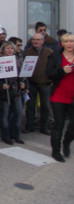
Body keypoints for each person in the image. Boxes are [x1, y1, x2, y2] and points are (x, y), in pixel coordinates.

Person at [46, 33, 74, 162]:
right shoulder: (55, 56)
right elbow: (49, 74)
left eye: (72, 41)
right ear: (61, 43)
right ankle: (56, 151)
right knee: (59, 124)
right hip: (59, 95)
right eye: (66, 41)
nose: (69, 44)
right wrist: (62, 71)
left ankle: (66, 142)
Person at [0, 41, 28, 145]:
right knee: (5, 115)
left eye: (12, 48)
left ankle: (15, 135)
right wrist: (1, 85)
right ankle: (6, 136)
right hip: (5, 93)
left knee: (18, 113)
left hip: (16, 92)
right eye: (8, 48)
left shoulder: (17, 61)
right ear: (3, 50)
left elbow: (22, 75)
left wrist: (23, 83)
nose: (10, 50)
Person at [23, 33, 54, 135]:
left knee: (45, 106)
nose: (36, 41)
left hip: (46, 83)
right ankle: (29, 126)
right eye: (34, 39)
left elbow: (54, 67)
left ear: (43, 41)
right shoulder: (26, 52)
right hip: (32, 83)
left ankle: (44, 127)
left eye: (38, 40)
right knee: (30, 106)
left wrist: (53, 80)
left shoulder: (49, 52)